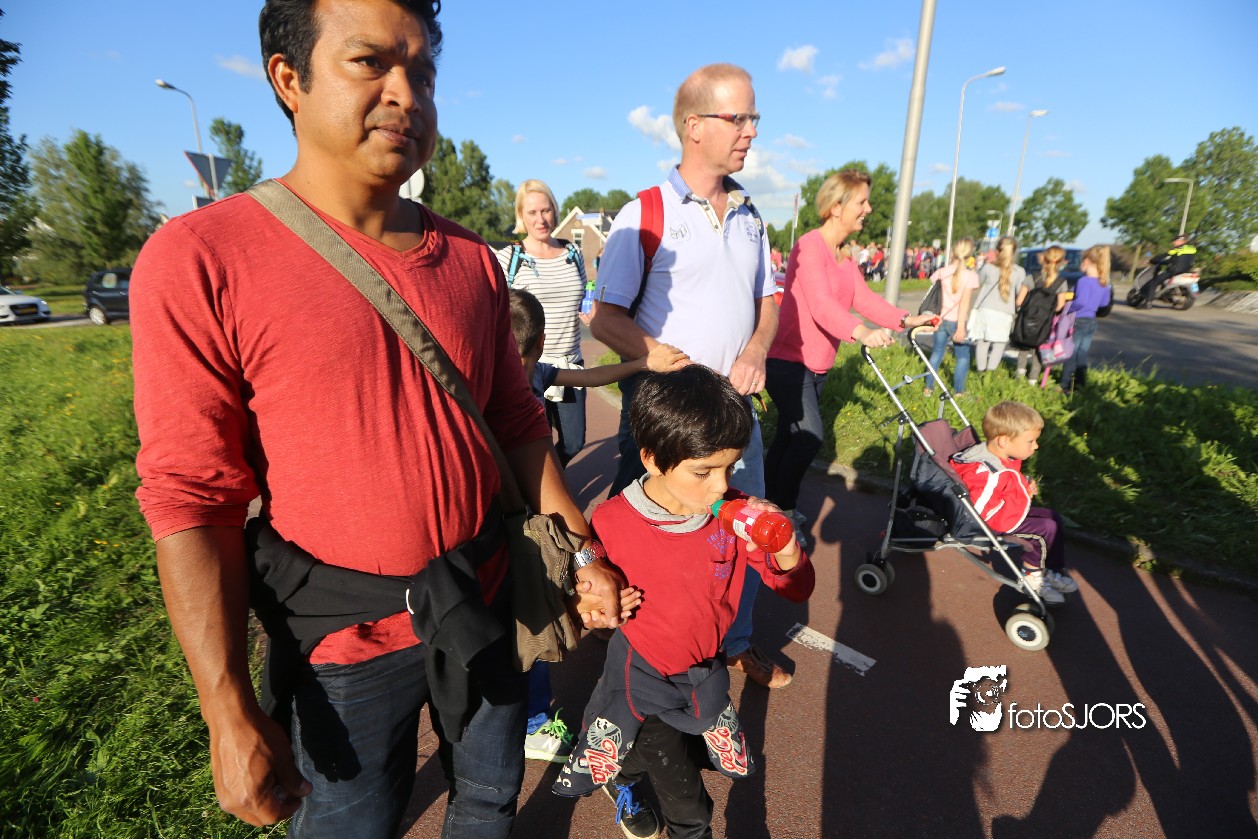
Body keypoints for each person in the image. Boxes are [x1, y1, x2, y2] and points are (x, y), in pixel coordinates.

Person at [129, 2, 633, 836]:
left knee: (488, 798)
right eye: (370, 62)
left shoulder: (471, 260)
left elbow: (515, 420)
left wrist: (584, 552)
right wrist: (226, 707)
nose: (407, 93)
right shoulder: (201, 257)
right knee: (350, 824)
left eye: (423, 72)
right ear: (289, 79)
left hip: (489, 598)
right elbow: (192, 497)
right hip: (343, 647)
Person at [589, 63, 787, 692]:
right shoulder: (644, 213)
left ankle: (734, 644)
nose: (751, 131)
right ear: (694, 126)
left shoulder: (752, 214)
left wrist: (756, 348)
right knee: (643, 533)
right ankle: (633, 647)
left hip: (737, 413)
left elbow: (769, 300)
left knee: (744, 528)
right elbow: (604, 317)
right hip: (666, 420)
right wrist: (653, 355)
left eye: (754, 118)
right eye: (739, 117)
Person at [553, 365, 815, 837]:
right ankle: (629, 780)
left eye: (730, 467)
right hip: (643, 673)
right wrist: (589, 608)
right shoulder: (611, 521)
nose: (721, 485)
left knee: (677, 751)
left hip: (703, 668)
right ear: (652, 459)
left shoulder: (735, 518)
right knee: (689, 804)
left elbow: (795, 588)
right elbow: (584, 596)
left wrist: (786, 549)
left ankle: (625, 774)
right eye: (703, 471)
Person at [510, 290, 687, 764]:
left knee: (536, 606)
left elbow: (588, 377)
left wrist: (641, 363)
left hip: (527, 514)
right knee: (538, 609)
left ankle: (530, 712)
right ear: (541, 341)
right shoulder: (521, 380)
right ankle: (532, 720)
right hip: (526, 519)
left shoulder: (522, 374)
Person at [764, 170, 936, 540]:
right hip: (788, 362)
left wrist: (905, 319)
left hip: (818, 365)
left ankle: (767, 501)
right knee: (808, 436)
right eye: (862, 201)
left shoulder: (843, 254)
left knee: (788, 437)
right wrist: (862, 333)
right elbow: (821, 305)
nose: (868, 209)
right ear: (836, 206)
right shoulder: (809, 246)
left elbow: (863, 298)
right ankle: (783, 512)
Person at [497, 179, 589, 466]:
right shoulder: (510, 258)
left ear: (555, 211)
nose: (541, 219)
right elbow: (498, 309)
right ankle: (543, 490)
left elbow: (583, 297)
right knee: (537, 442)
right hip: (531, 367)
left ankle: (553, 479)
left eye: (546, 210)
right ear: (521, 216)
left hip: (570, 363)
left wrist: (590, 312)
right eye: (533, 212)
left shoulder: (573, 254)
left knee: (574, 442)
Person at [950, 401, 1078, 605]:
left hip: (1005, 512)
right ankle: (1032, 577)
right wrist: (1017, 496)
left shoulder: (1002, 457)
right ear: (1004, 441)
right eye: (1031, 441)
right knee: (1043, 529)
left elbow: (1005, 484)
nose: (1036, 446)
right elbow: (981, 511)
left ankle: (1049, 569)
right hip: (991, 524)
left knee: (1053, 517)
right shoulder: (985, 471)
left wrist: (1023, 487)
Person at [925, 237, 980, 397]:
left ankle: (928, 387)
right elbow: (964, 304)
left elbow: (932, 287)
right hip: (957, 321)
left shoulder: (942, 272)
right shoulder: (970, 276)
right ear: (969, 255)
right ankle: (958, 391)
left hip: (939, 318)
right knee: (962, 357)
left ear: (953, 252)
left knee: (937, 353)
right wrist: (961, 328)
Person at [969, 236, 1027, 375]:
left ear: (997, 251)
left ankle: (980, 372)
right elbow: (1019, 292)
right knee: (999, 344)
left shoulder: (988, 268)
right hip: (1005, 311)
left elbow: (978, 282)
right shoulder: (1019, 272)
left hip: (985, 308)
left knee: (983, 343)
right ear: (1014, 252)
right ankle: (990, 373)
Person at [1013, 245, 1071, 383]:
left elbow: (1019, 301)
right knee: (1039, 349)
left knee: (1023, 346)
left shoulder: (1031, 277)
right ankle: (1033, 379)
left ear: (1043, 259)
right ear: (1061, 262)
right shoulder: (1061, 282)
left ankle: (1019, 374)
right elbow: (1060, 306)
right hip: (1045, 322)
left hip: (1026, 319)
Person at [1059, 245, 1112, 393]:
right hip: (1091, 321)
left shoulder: (1083, 281)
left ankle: (1065, 384)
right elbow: (1104, 303)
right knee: (1082, 353)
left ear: (1086, 261)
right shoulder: (1104, 282)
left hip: (1079, 319)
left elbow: (1080, 301)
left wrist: (1069, 308)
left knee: (1071, 352)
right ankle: (1080, 384)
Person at [1139, 234, 1196, 307]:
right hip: (1185, 272)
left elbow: (1164, 256)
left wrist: (1151, 260)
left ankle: (1148, 303)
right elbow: (1176, 260)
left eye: (1175, 241)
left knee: (1153, 282)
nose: (1173, 242)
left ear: (1181, 241)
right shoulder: (1192, 249)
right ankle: (1165, 296)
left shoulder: (1177, 249)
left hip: (1173, 271)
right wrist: (1163, 262)